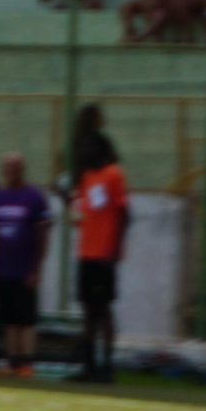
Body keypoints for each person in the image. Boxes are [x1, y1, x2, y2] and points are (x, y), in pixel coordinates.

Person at [0, 152, 52, 378]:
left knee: (25, 319)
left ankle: (27, 363)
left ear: (22, 169)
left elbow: (42, 234)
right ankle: (11, 362)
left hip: (24, 269)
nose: (9, 171)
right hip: (3, 268)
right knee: (9, 319)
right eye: (6, 167)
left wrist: (36, 269)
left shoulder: (34, 197)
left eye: (14, 167)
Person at [71, 131, 129, 384]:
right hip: (86, 252)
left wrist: (115, 249)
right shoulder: (87, 177)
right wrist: (67, 201)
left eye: (87, 148)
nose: (83, 153)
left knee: (103, 309)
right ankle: (89, 365)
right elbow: (83, 214)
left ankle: (108, 365)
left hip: (104, 254)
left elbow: (124, 213)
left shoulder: (114, 174)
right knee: (88, 310)